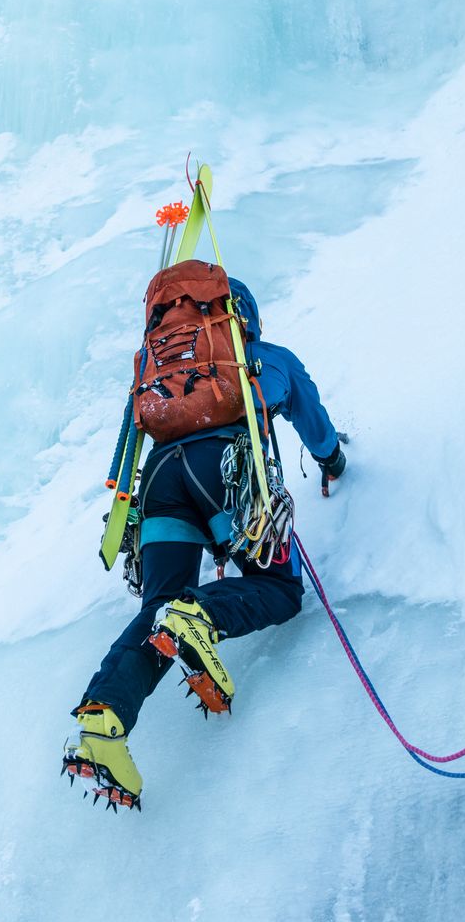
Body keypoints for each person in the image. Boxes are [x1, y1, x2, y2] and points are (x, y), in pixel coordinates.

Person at [65, 276, 345, 810]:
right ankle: (198, 616)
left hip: (162, 482)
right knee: (277, 589)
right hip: (227, 469)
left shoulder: (159, 370)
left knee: (157, 611)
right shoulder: (260, 357)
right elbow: (313, 422)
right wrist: (333, 461)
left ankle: (104, 718)